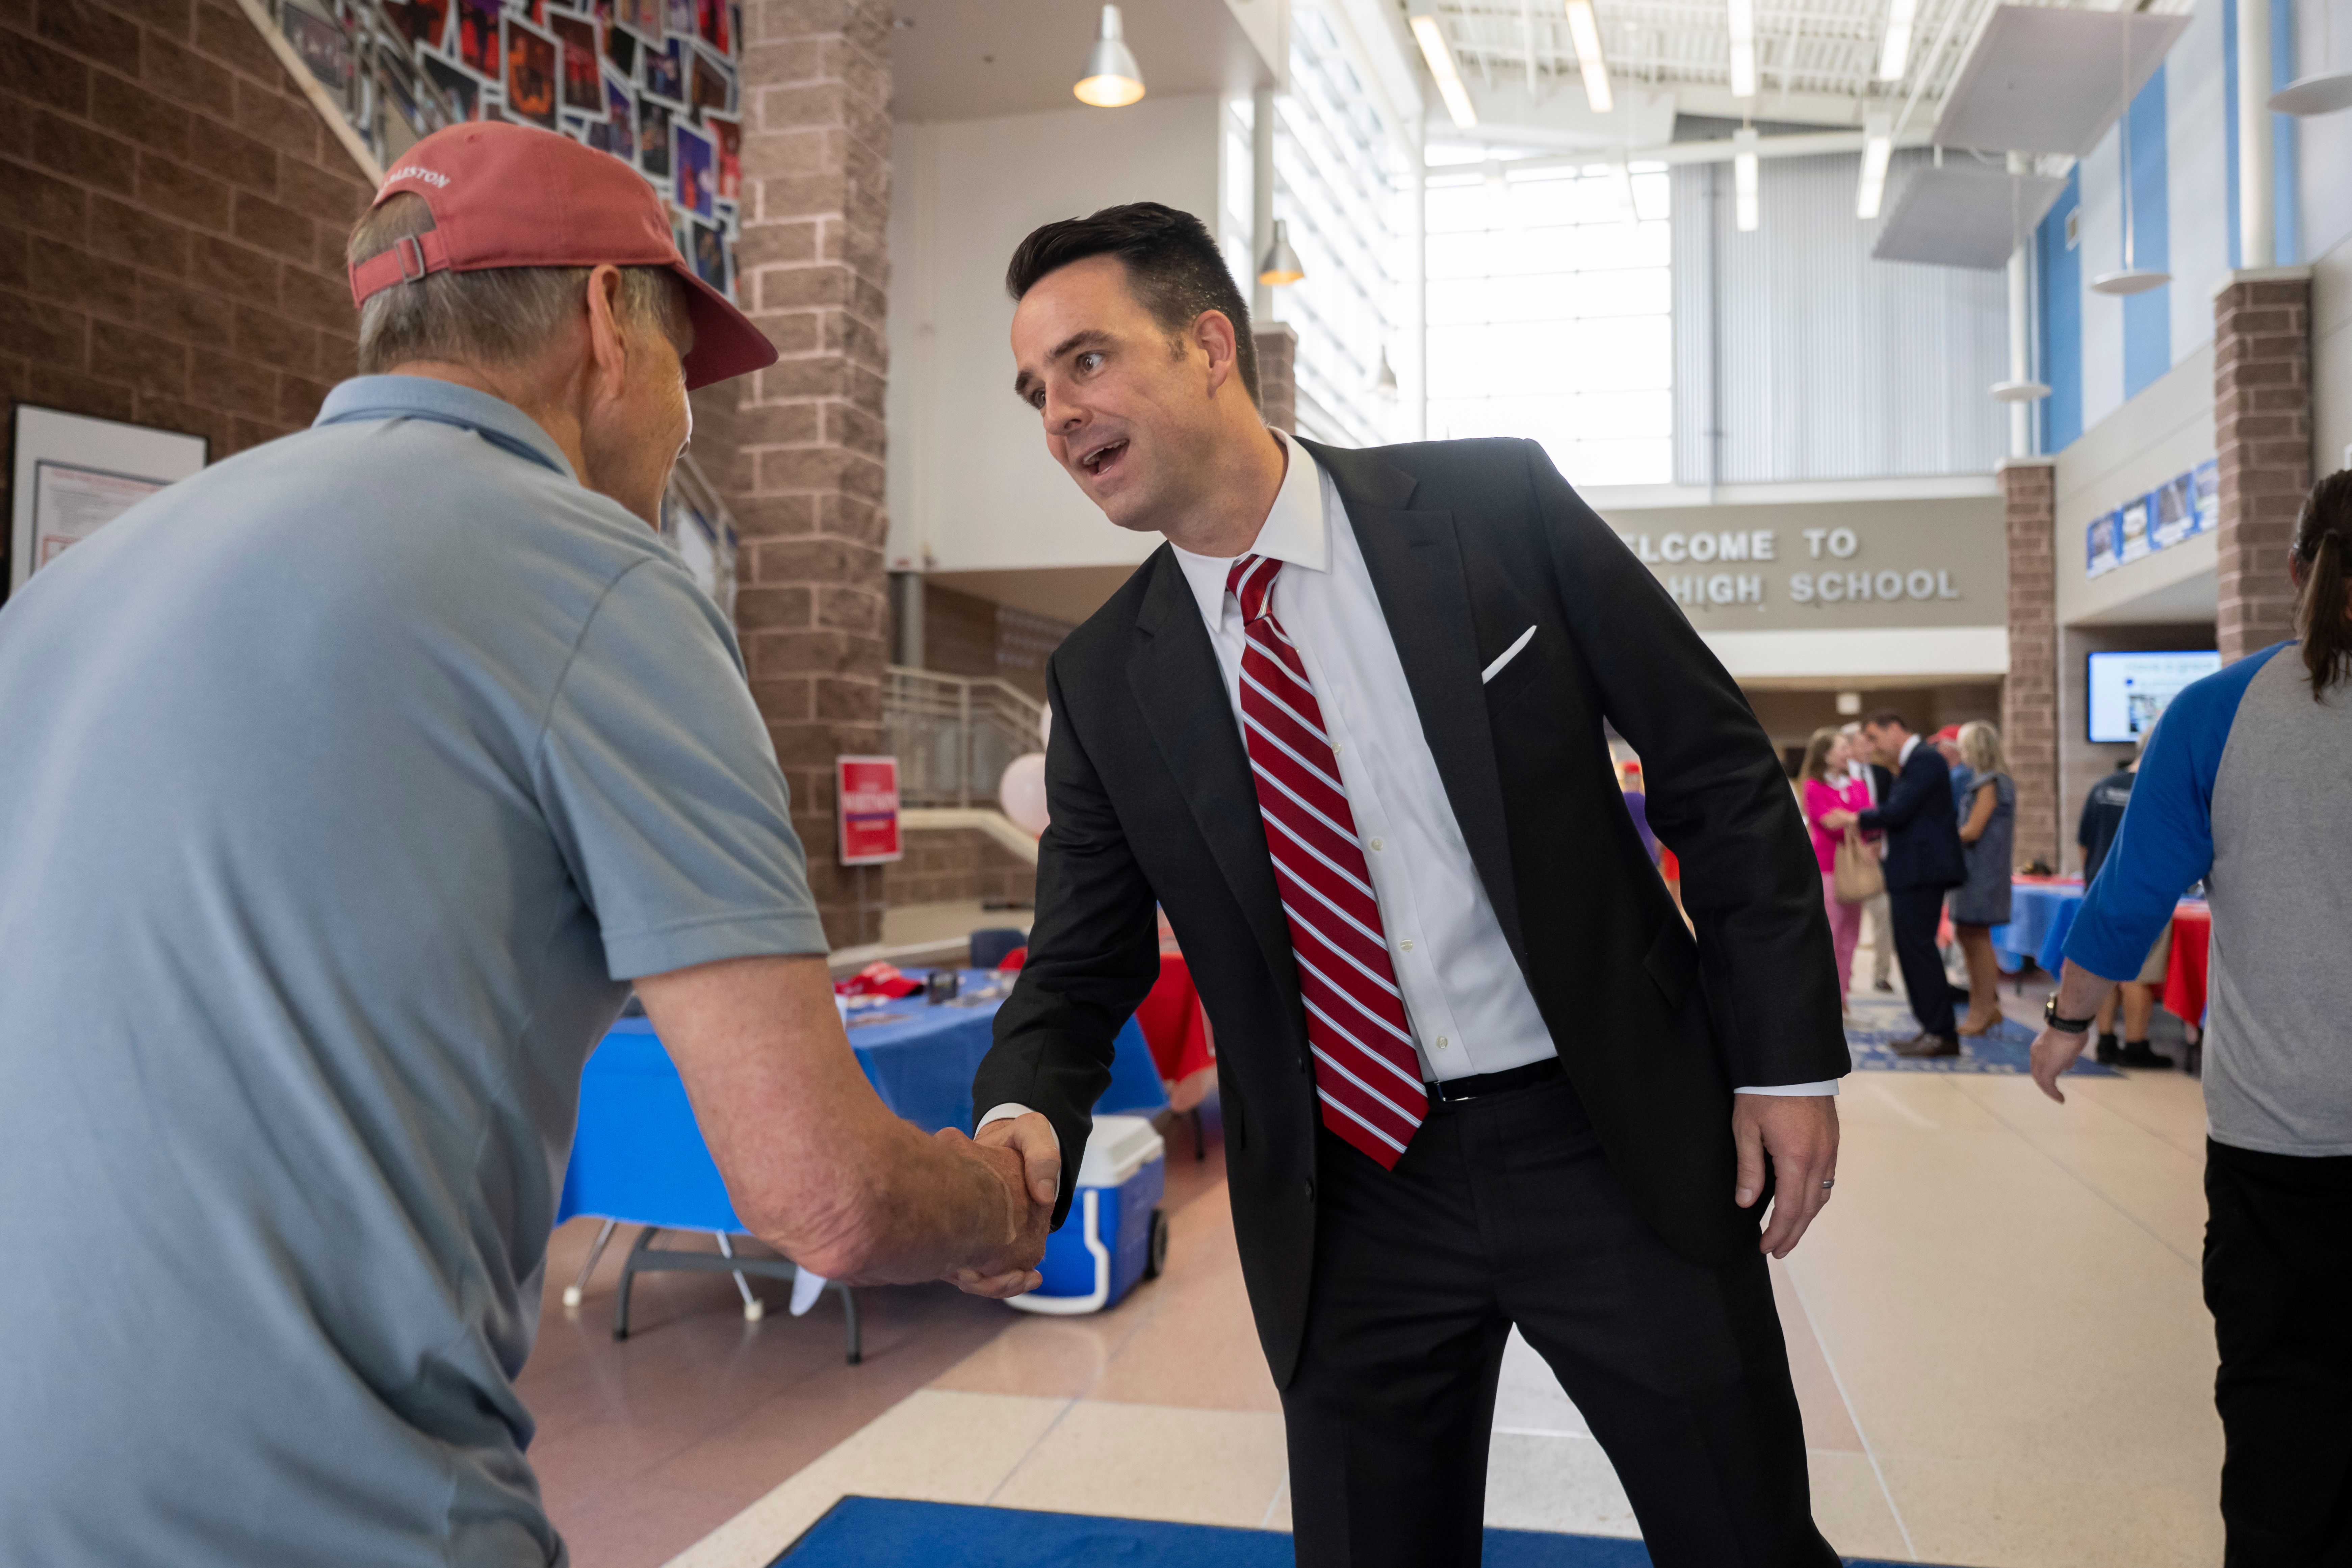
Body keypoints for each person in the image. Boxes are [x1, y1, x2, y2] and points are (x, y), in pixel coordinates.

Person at [0, 125, 1051, 1567]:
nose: (688, 428)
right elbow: (828, 1198)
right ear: (606, 325)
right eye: (689, 366)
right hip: (324, 1514)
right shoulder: (594, 578)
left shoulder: (71, 592)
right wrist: (1000, 1202)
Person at [969, 202, 1849, 1568]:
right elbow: (1081, 956)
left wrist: (1786, 1060)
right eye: (1035, 390)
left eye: (1084, 361)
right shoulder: (1103, 675)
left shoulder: (1491, 507)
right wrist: (1022, 1109)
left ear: (1210, 344)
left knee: (1740, 1534)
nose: (1057, 415)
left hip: (1605, 1135)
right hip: (1346, 1195)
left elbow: (1713, 766)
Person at [2028, 469, 2352, 1567]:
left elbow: (2127, 897)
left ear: (2296, 567)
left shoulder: (2219, 712)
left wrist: (2069, 1020)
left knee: (2278, 1412)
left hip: (2279, 1143)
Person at [1821, 709, 1965, 1054]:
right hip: (1912, 869)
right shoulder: (1915, 761)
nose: (1870, 746)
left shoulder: (1924, 760)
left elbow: (1899, 811)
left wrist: (1854, 817)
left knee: (1918, 949)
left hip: (1922, 871)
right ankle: (1931, 1026)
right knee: (1912, 949)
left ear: (1895, 729)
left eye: (1873, 737)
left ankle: (1941, 1032)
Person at [2076, 742, 2172, 1067]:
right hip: (2141, 893)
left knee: (2104, 967)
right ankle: (2135, 1045)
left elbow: (2084, 843)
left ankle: (2104, 1041)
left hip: (2099, 891)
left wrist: (2093, 883)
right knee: (2136, 973)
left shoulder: (2102, 787)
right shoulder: (2158, 791)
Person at [1946, 720, 2015, 1037]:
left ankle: (1982, 1009)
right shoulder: (1988, 781)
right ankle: (1985, 1005)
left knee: (1976, 938)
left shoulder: (1990, 783)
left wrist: (1939, 837)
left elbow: (1972, 830)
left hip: (1982, 873)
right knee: (1967, 935)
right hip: (1976, 871)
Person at [1798, 726, 1872, 1011]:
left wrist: (1849, 818)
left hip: (1855, 868)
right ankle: (1824, 994)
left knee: (1852, 934)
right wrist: (1856, 818)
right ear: (1826, 755)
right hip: (1827, 866)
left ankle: (1842, 994)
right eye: (1842, 747)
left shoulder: (1856, 785)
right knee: (1830, 931)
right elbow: (1828, 821)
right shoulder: (1813, 786)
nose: (1847, 752)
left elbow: (1871, 820)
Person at [1841, 720, 1898, 994]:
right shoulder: (1839, 777)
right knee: (1845, 924)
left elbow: (1890, 811)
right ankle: (1843, 978)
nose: (1870, 747)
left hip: (1881, 856)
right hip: (1849, 860)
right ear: (1850, 746)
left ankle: (1881, 974)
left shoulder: (1882, 774)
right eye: (1865, 742)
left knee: (1883, 916)